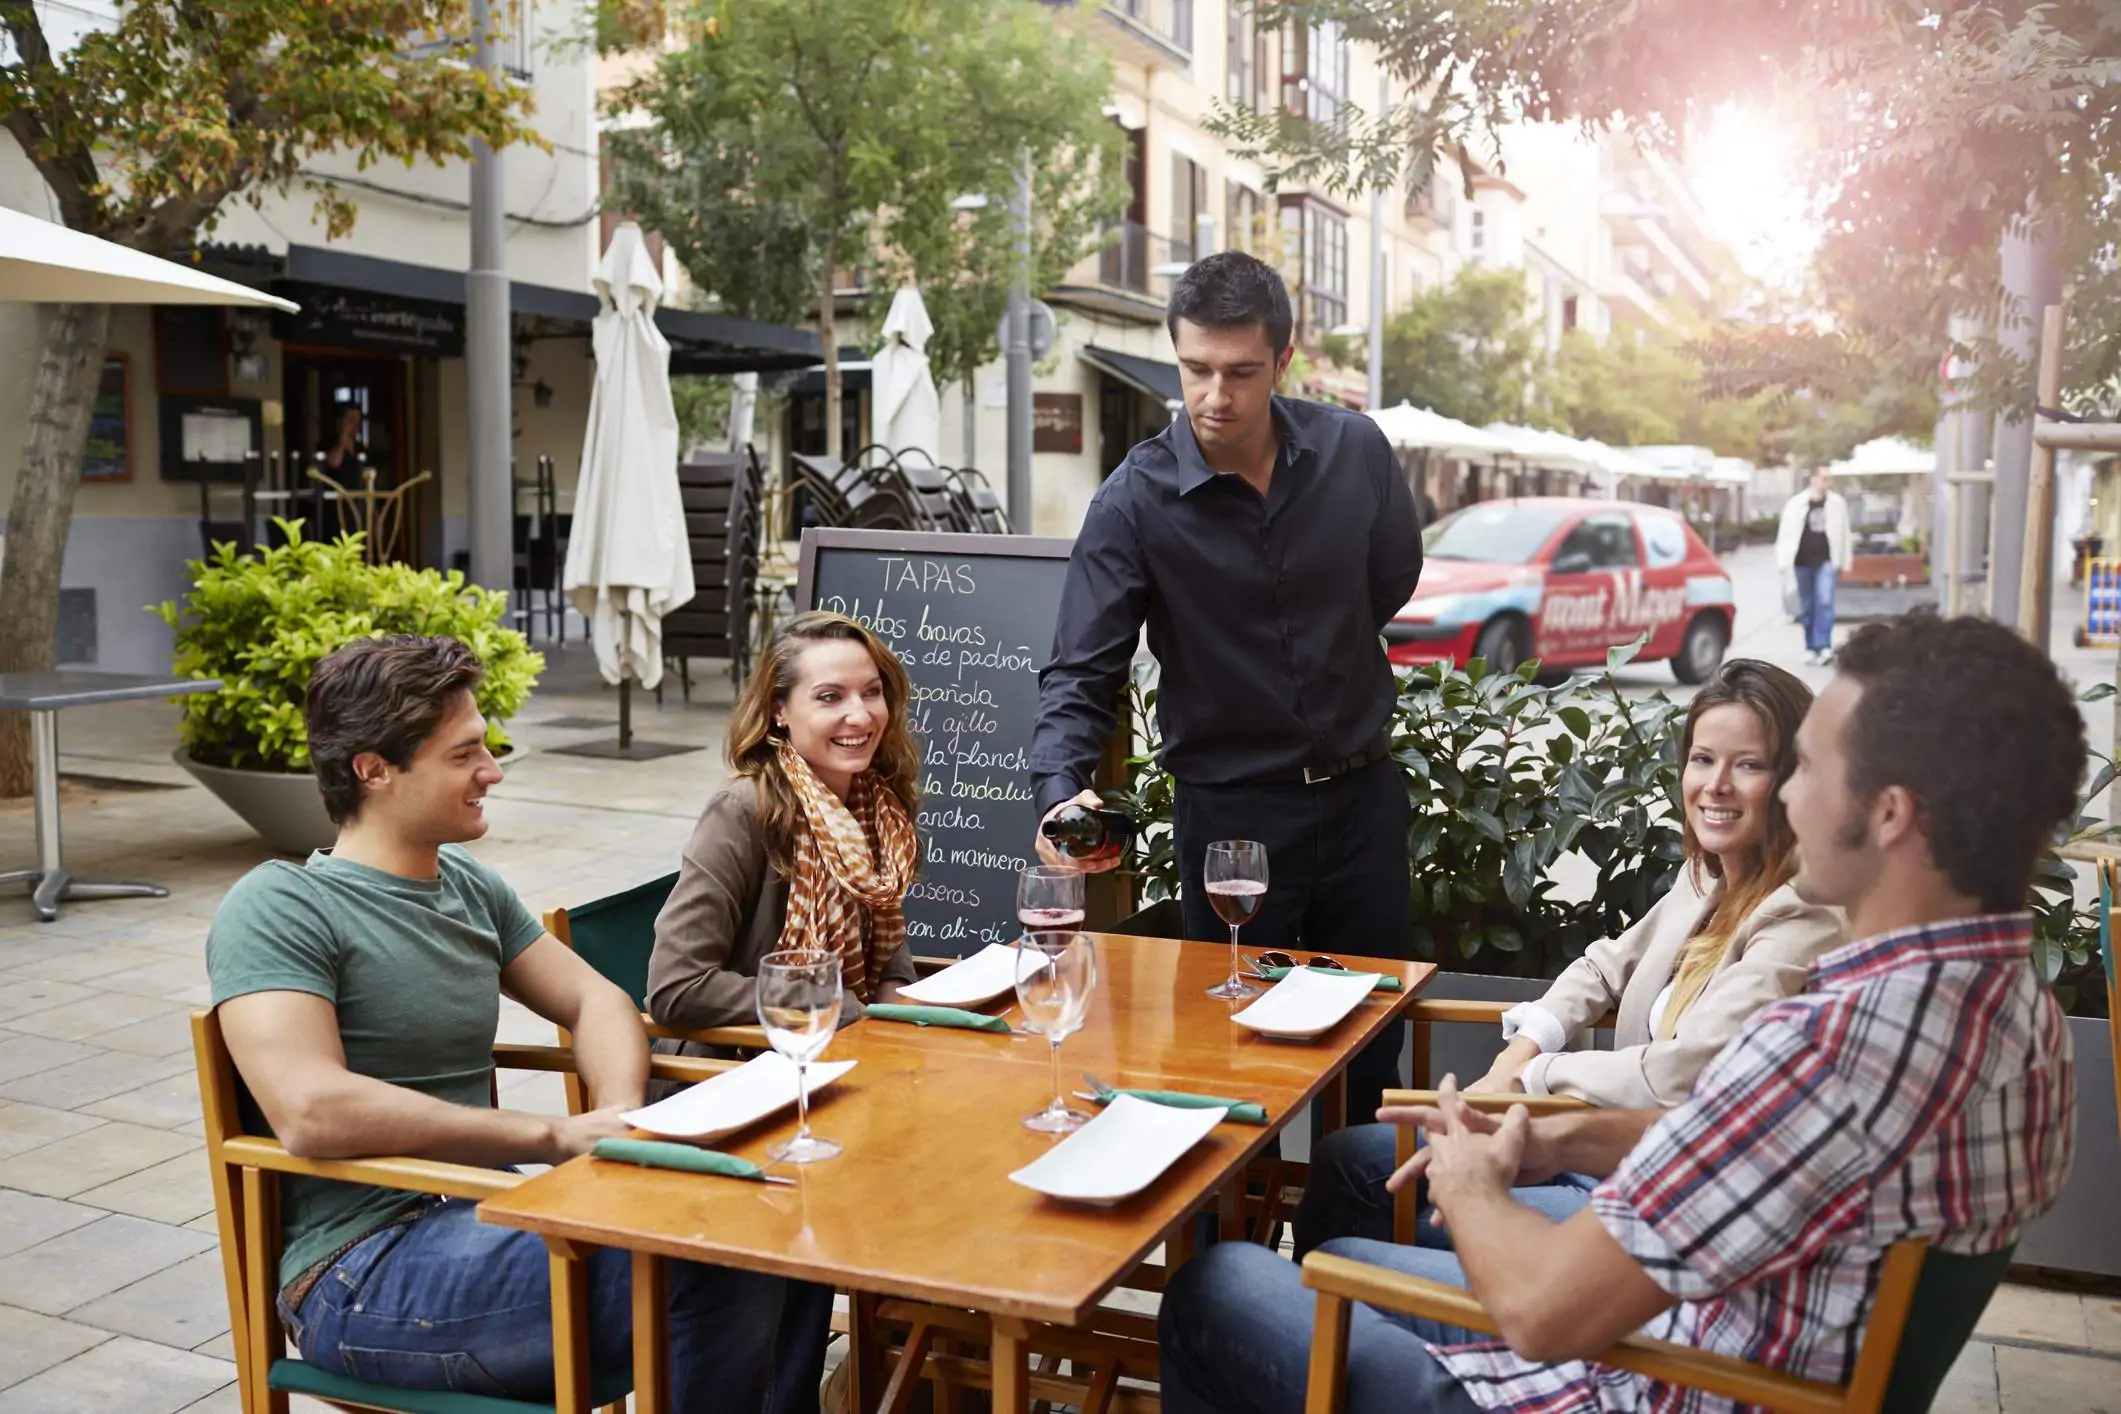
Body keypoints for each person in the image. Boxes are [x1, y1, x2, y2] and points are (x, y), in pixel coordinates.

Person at [1159, 609, 2080, 1414]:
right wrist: (1555, 1142)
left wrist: (1475, 1183)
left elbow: (1542, 1308)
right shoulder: (2006, 1005)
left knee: (1220, 1286)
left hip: (1626, 1374)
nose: (1785, 794)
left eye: (1803, 767)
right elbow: (1748, 1154)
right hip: (1698, 1340)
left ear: (1888, 814)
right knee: (1334, 1234)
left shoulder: (1834, 1045)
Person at [207, 634, 810, 1412]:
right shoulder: (280, 905)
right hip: (364, 1270)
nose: (492, 770)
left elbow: (600, 1003)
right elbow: (310, 1110)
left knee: (780, 1211)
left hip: (487, 1222)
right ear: (373, 769)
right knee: (713, 1252)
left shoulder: (464, 884)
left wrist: (612, 1119)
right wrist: (552, 1137)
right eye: (464, 756)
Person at [1029, 250, 1424, 1122]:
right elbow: (1079, 669)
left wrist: (1327, 646)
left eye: (1241, 373)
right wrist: (1059, 793)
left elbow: (1391, 576)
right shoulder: (1132, 503)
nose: (1215, 396)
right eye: (1196, 370)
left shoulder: (1354, 450)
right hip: (1234, 826)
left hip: (1364, 804)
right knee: (1233, 1056)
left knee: (1370, 1050)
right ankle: (1235, 1260)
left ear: (1283, 363)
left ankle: (1339, 1251)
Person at [1294, 658, 1844, 1255]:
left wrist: (1534, 1080)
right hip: (1592, 1149)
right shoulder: (1710, 875)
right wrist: (1522, 1052)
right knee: (1342, 1158)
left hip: (1647, 1200)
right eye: (1703, 759)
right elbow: (1604, 966)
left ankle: (1357, 1314)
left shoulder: (1799, 916)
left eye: (1749, 765)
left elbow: (1677, 1076)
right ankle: (1337, 1323)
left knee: (1357, 1212)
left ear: (1794, 781)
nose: (1715, 785)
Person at [648, 610, 922, 1036]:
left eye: (871, 692)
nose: (862, 716)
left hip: (851, 1050)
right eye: (830, 697)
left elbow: (883, 941)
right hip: (735, 1072)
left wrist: (897, 996)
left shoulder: (877, 804)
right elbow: (676, 989)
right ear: (780, 710)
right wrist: (825, 998)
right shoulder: (741, 811)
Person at [1776, 467, 1851, 665]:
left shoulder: (1837, 504)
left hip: (1826, 560)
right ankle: (1810, 646)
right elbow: (1784, 535)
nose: (1827, 483)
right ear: (1813, 480)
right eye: (1823, 478)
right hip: (1801, 562)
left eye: (1829, 479)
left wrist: (1845, 562)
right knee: (1807, 605)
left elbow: (1845, 534)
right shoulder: (1795, 504)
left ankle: (1824, 645)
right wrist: (1782, 562)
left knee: (1825, 602)